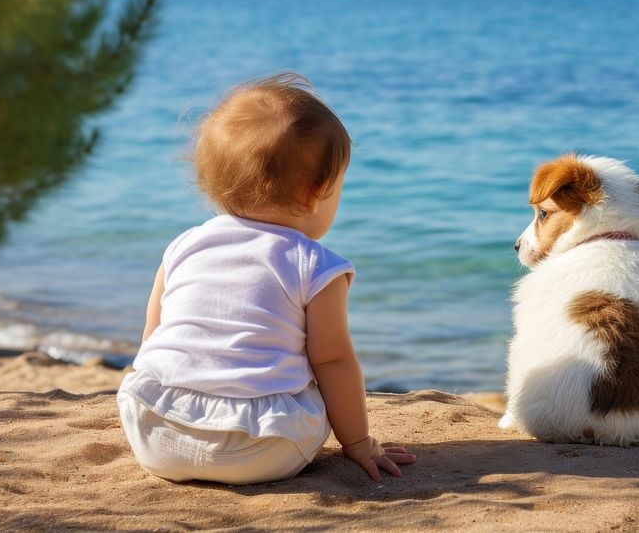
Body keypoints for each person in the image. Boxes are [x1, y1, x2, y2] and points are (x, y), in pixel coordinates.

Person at [117, 73, 415, 484]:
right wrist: (358, 443)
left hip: (153, 428)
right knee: (316, 384)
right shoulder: (314, 264)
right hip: (259, 449)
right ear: (316, 192)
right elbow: (333, 361)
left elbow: (152, 339)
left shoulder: (183, 246)